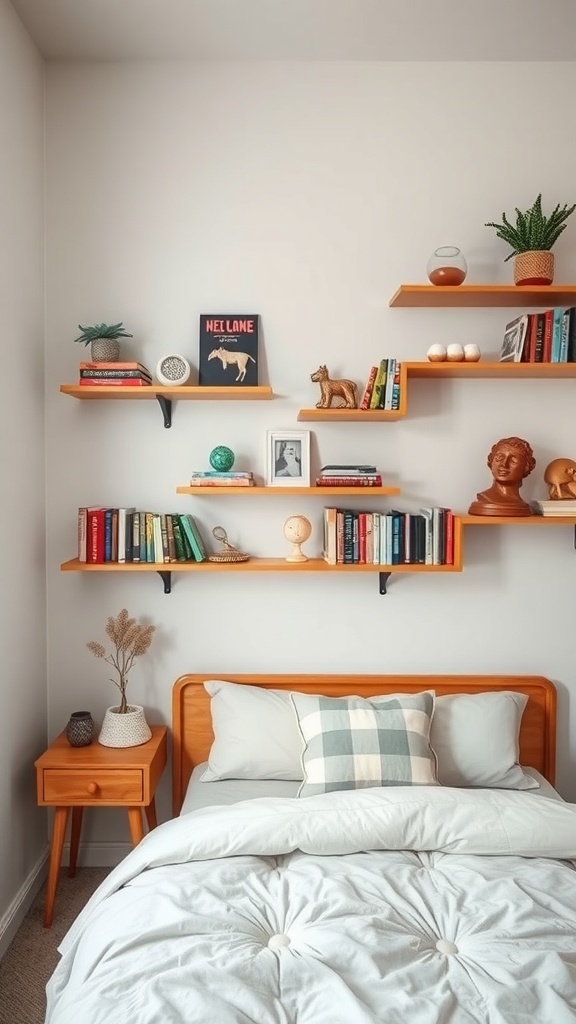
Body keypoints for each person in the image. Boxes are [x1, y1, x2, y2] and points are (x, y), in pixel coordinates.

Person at [468, 436, 535, 517]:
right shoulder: (486, 497)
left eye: (513, 461)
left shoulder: (520, 504)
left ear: (526, 467)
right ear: (491, 461)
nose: (504, 464)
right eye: (499, 458)